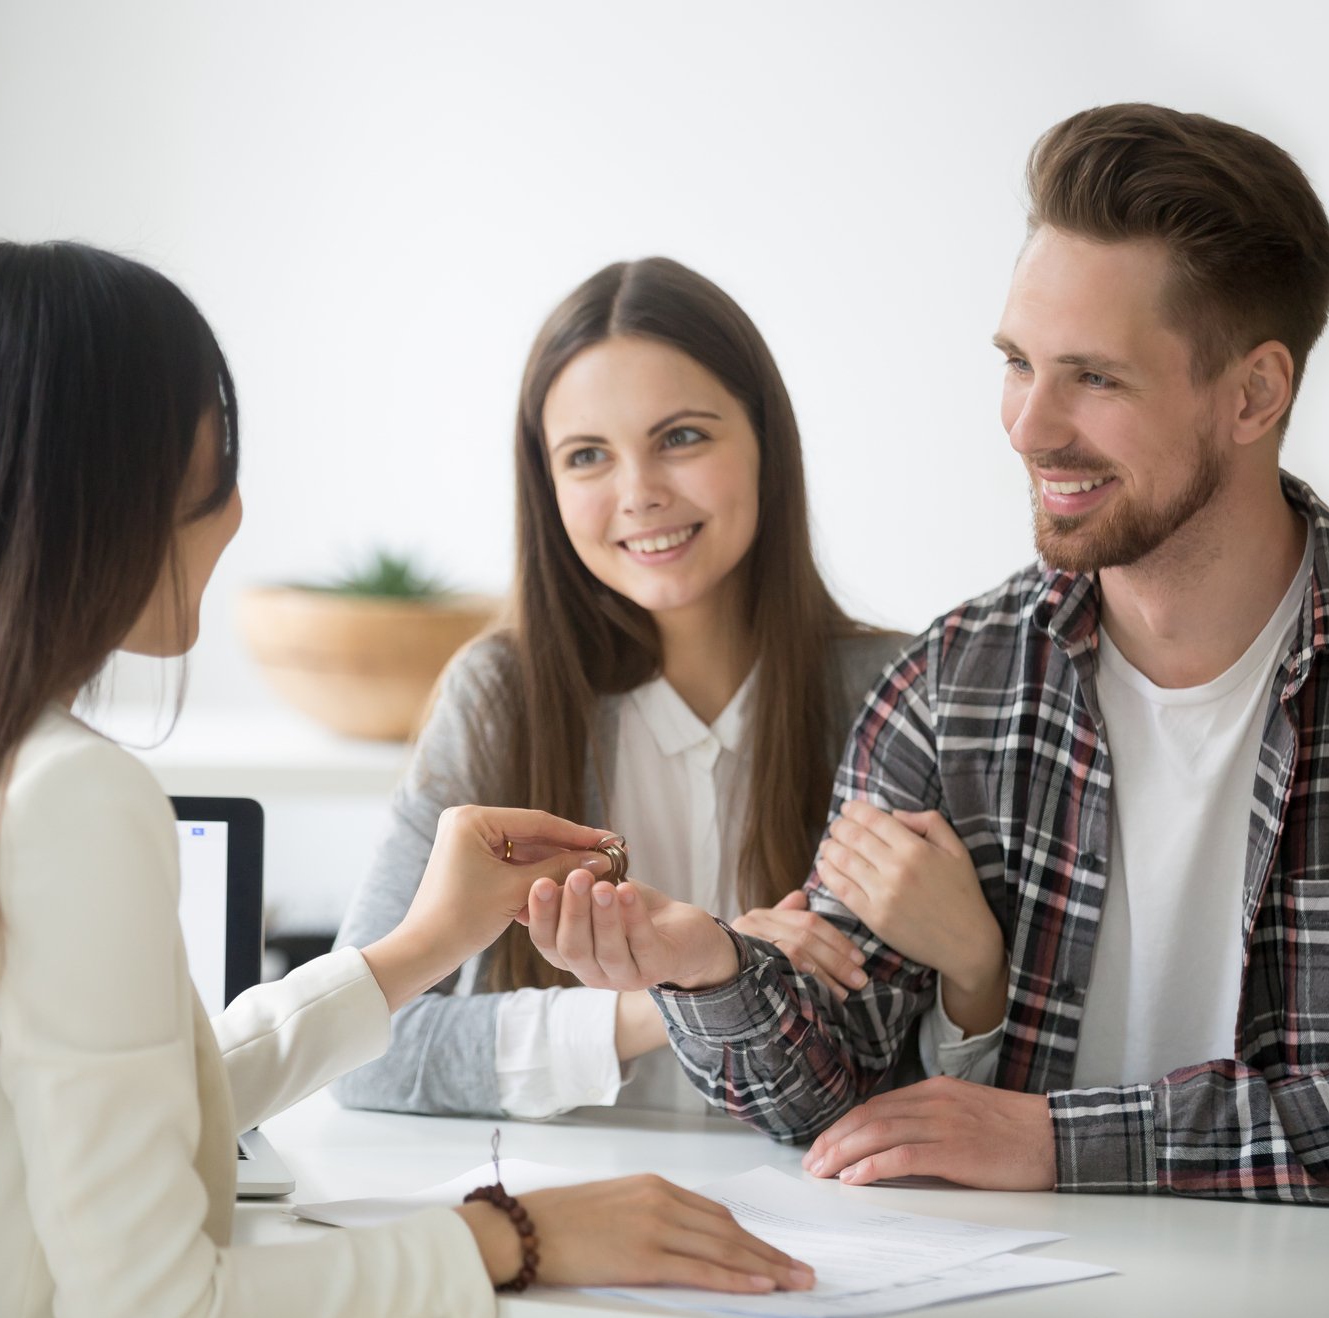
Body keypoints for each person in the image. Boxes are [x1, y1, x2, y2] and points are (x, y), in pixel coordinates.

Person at [0, 241, 813, 1318]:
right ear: (97, 493)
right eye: (212, 464)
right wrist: (505, 1235)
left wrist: (416, 949)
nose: (234, 510)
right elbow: (159, 1308)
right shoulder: (66, 797)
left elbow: (147, 1097)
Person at [518, 104, 1329, 1206]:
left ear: (1253, 394)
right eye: (1016, 363)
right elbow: (828, 1088)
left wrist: (1056, 1140)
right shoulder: (953, 683)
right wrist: (708, 968)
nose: (1028, 427)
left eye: (1094, 377)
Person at [333, 258, 910, 1119]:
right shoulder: (500, 700)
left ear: (765, 442)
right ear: (549, 486)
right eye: (589, 456)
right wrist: (687, 979)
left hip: (840, 1216)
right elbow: (360, 1048)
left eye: (681, 437)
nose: (639, 494)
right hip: (574, 1211)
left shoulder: (892, 694)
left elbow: (932, 1049)